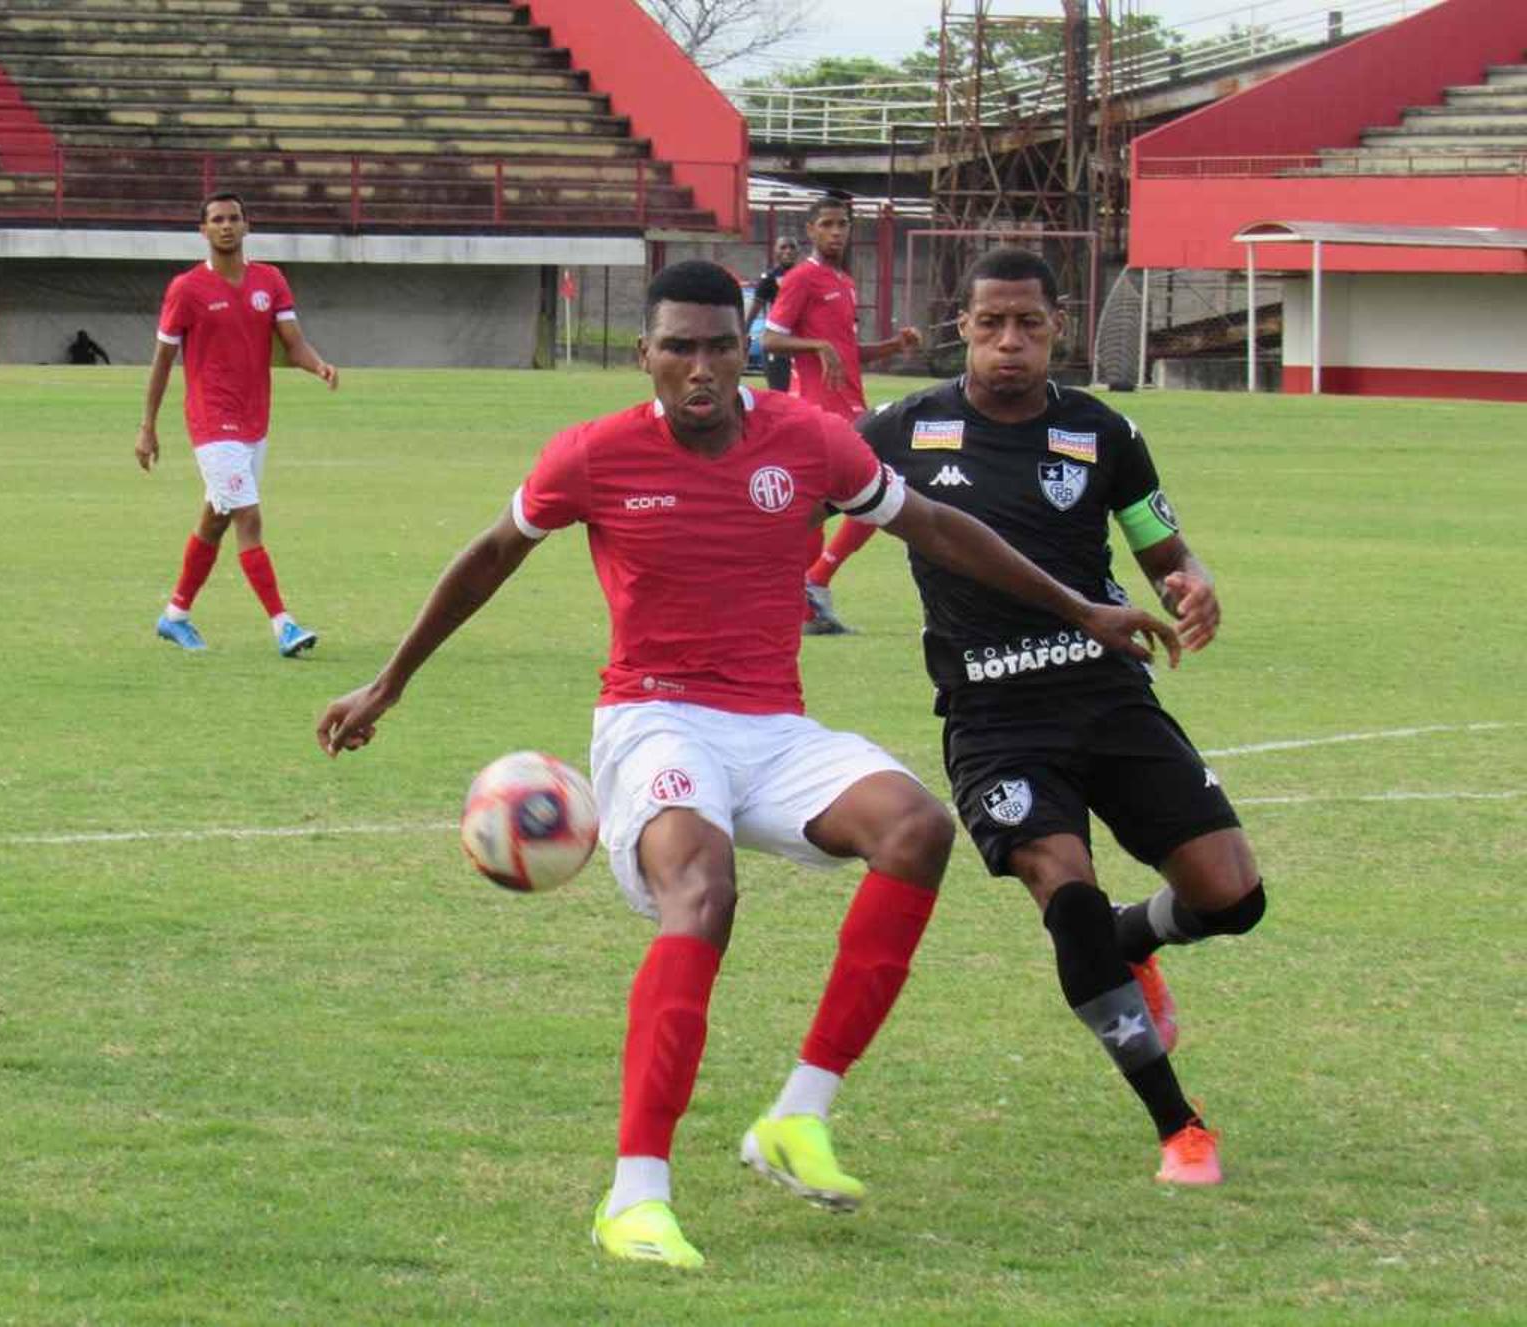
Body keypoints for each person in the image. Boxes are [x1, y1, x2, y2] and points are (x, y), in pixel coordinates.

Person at [316, 260, 1177, 1267]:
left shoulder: (808, 440)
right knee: (705, 887)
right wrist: (389, 681)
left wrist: (1082, 607)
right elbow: (491, 554)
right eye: (677, 345)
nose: (700, 366)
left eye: (720, 344)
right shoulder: (595, 455)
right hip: (653, 720)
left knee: (917, 827)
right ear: (646, 354)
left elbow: (937, 527)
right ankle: (635, 1193)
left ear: (747, 350)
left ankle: (798, 1115)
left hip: (772, 727)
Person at [861, 247, 1266, 1187]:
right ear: (961, 323)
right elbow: (801, 489)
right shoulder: (900, 430)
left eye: (1029, 325)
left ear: (1059, 327)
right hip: (993, 712)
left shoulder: (1102, 430)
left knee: (1234, 897)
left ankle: (1140, 936)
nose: (1010, 342)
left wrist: (1190, 581)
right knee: (1067, 891)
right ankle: (1180, 1124)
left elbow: (1163, 545)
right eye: (992, 322)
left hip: (1108, 690)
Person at [137, 190, 338, 657]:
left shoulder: (270, 281)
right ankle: (283, 625)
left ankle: (174, 616)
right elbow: (163, 360)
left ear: (247, 226)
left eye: (234, 218)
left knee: (217, 519)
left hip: (254, 421)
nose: (226, 226)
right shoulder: (186, 290)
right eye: (217, 220)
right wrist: (147, 425)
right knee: (248, 515)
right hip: (211, 423)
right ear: (203, 231)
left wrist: (319, 366)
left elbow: (293, 344)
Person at [760, 194, 920, 635]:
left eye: (843, 224)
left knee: (854, 495)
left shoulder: (843, 282)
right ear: (810, 231)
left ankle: (808, 590)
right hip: (816, 406)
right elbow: (771, 340)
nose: (836, 232)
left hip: (849, 404)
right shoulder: (800, 279)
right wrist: (817, 346)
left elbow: (847, 352)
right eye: (827, 224)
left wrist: (892, 346)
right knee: (875, 489)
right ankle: (812, 584)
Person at [747, 235, 798, 392]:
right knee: (779, 391)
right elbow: (756, 306)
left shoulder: (806, 275)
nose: (788, 251)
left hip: (802, 341)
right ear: (775, 251)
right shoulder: (769, 278)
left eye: (791, 247)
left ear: (798, 252)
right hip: (778, 341)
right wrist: (744, 331)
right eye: (783, 247)